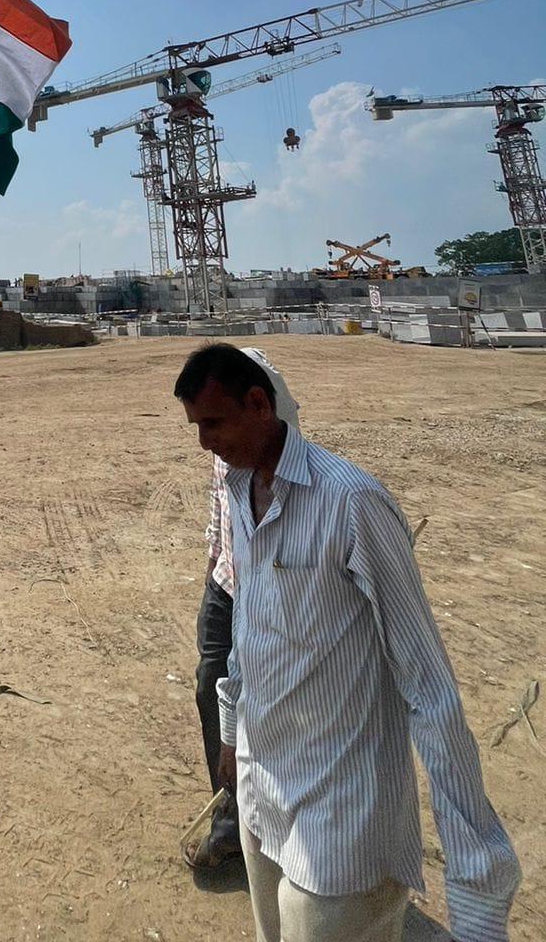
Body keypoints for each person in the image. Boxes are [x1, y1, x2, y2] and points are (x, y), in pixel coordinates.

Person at [175, 343, 519, 942]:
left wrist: (476, 889)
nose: (204, 443)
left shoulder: (352, 502)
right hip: (262, 788)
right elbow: (247, 632)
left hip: (342, 815)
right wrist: (231, 733)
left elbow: (430, 688)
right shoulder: (237, 491)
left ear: (259, 404)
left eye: (213, 423)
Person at [190, 344, 301, 871]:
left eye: (212, 424)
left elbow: (281, 483)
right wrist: (214, 557)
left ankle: (281, 817)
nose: (205, 440)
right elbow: (221, 495)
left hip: (265, 580)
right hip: (225, 578)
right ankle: (231, 818)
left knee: (272, 695)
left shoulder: (256, 394)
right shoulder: (215, 407)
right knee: (213, 685)